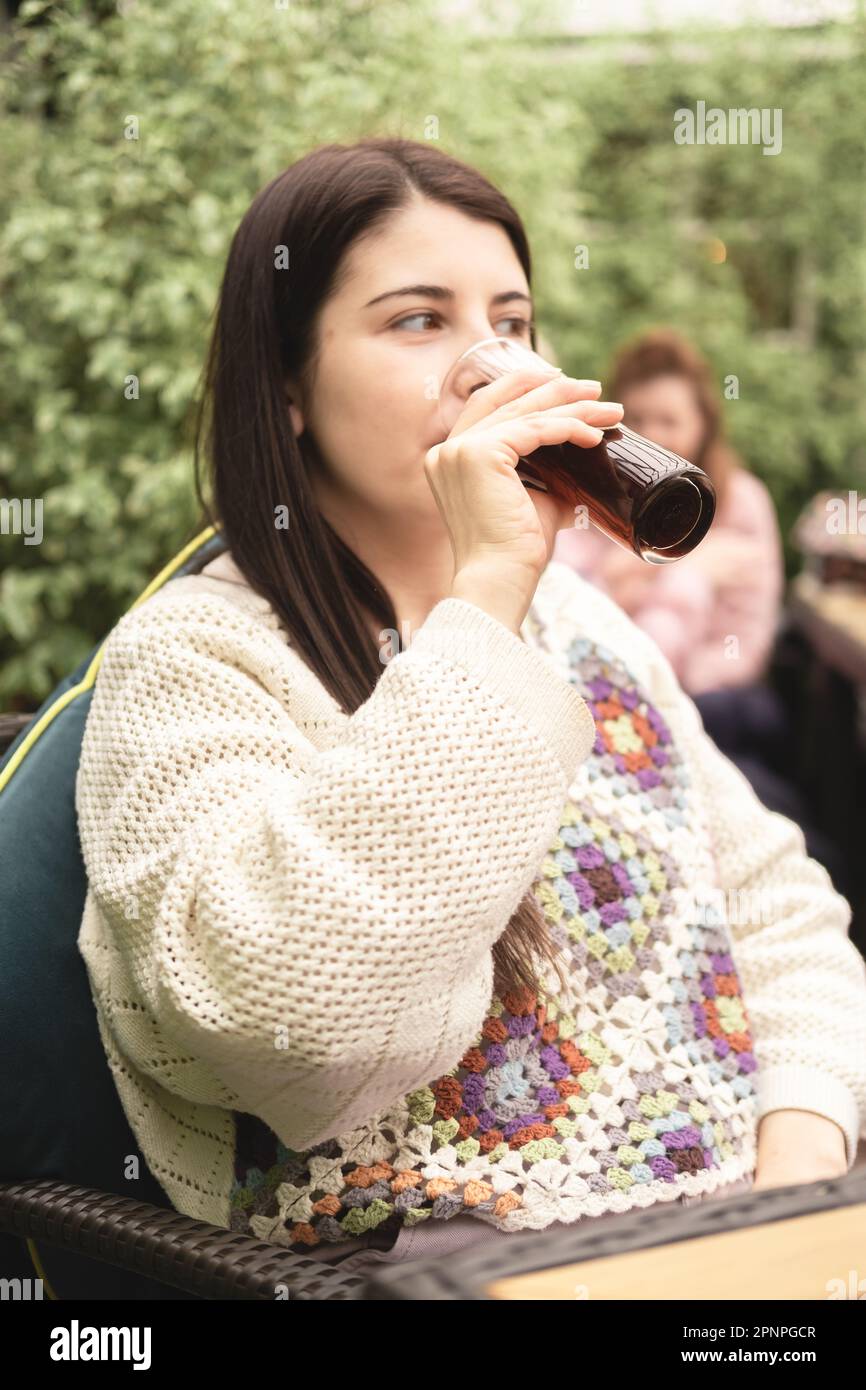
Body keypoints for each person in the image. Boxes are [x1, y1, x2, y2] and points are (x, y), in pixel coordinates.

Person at [74, 138, 866, 1281]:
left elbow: (780, 914)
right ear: (287, 388)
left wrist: (794, 1174)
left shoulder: (588, 632)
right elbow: (297, 1024)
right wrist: (486, 587)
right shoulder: (193, 659)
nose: (488, 363)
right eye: (416, 320)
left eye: (511, 318)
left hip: (739, 1246)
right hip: (466, 1274)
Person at [553, 328, 849, 894]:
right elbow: (577, 616)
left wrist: (643, 601)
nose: (654, 433)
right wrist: (687, 576)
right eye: (639, 417)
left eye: (670, 419)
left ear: (703, 425)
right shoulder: (588, 503)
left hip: (714, 700)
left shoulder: (742, 501)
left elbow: (746, 641)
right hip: (614, 697)